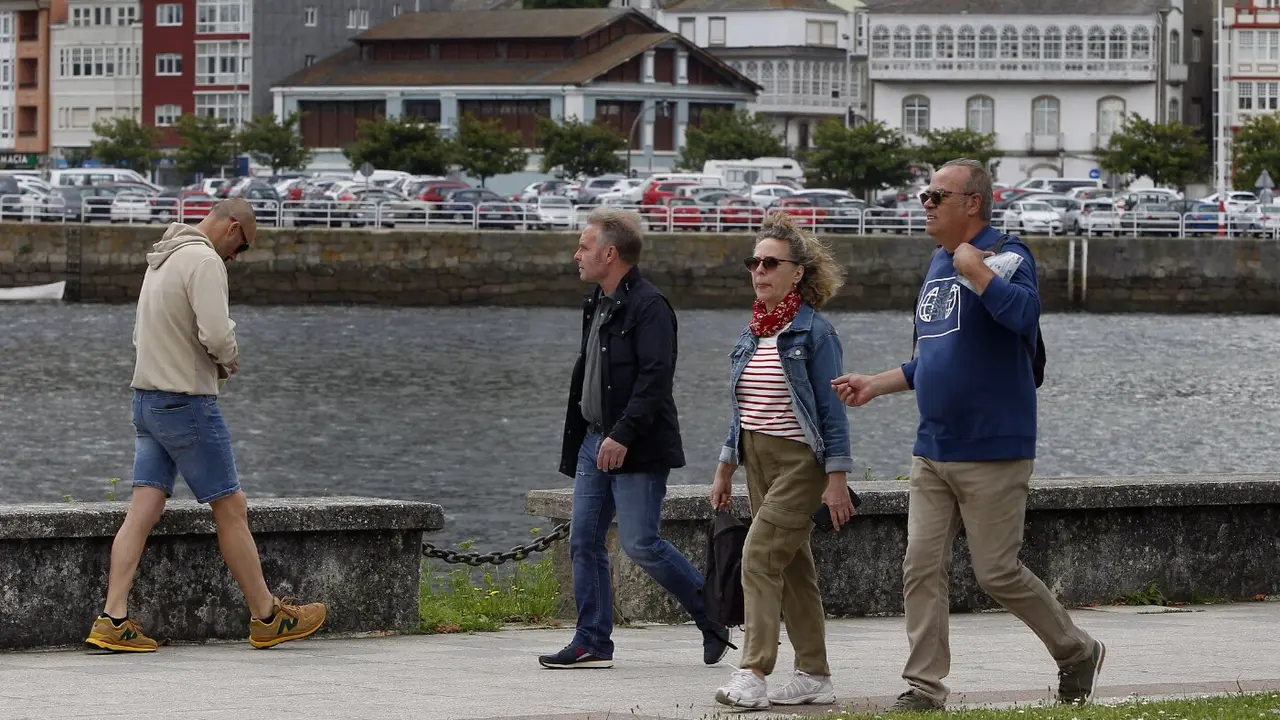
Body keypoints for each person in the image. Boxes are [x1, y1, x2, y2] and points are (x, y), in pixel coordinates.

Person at [831, 158, 1105, 710]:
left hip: (993, 447)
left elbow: (1024, 316)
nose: (925, 204)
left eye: (937, 196)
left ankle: (1076, 650)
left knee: (997, 571)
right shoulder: (936, 264)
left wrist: (975, 270)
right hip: (933, 447)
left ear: (972, 203)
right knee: (920, 567)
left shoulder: (1008, 253)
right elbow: (930, 360)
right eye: (925, 195)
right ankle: (924, 688)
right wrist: (875, 384)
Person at [84, 198, 327, 653]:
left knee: (142, 509)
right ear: (233, 227)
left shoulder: (162, 258)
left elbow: (140, 336)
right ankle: (266, 616)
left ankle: (112, 618)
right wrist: (229, 356)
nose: (237, 258)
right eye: (243, 247)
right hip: (186, 402)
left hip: (146, 402)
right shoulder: (203, 260)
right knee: (231, 506)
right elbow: (215, 333)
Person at [539, 207, 733, 669]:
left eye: (584, 247)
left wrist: (622, 434)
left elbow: (655, 379)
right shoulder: (597, 301)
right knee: (583, 540)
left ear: (610, 253)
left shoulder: (650, 307)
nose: (577, 254)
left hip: (636, 444)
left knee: (640, 543)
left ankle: (714, 615)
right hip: (593, 440)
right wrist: (595, 434)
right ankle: (592, 642)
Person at [709, 212, 855, 710]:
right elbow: (741, 408)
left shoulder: (815, 333)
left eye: (771, 262)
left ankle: (754, 672)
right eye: (754, 261)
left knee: (760, 557)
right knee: (792, 568)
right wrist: (726, 467)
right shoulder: (752, 331)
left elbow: (832, 413)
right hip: (756, 459)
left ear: (798, 272)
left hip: (799, 465)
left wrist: (835, 479)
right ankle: (814, 674)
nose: (760, 270)